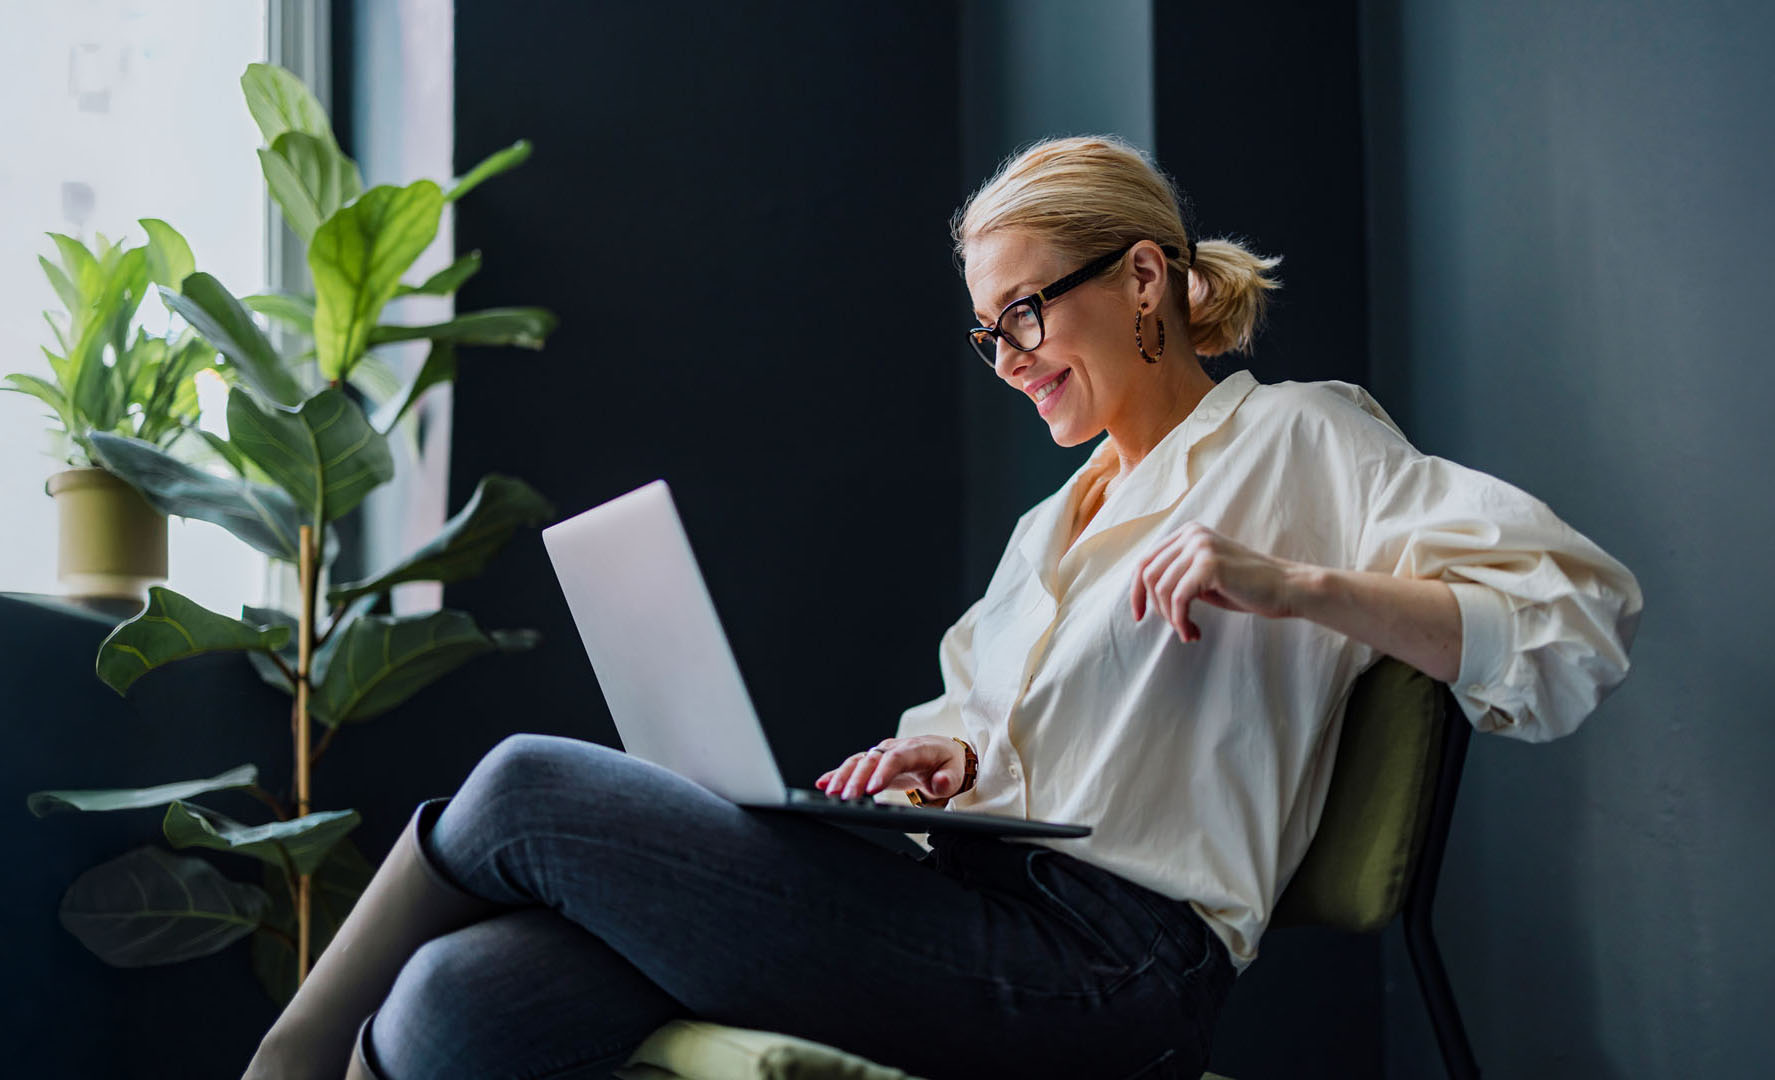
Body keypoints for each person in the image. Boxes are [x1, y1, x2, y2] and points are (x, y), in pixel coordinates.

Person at [242, 134, 1644, 1080]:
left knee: (523, 793)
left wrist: (1296, 584)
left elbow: (1576, 616)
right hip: (967, 906)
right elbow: (984, 724)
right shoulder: (1053, 525)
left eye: (1027, 314)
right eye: (990, 333)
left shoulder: (1301, 444)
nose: (1009, 357)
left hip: (1114, 968)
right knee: (457, 1005)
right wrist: (944, 765)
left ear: (1143, 277)